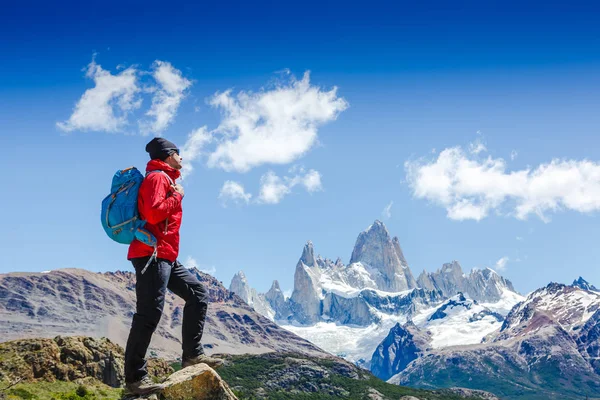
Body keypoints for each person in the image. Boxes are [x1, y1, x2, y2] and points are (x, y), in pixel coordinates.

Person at [124, 137, 223, 396]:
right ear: (169, 155)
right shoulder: (157, 178)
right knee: (148, 315)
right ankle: (135, 379)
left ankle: (192, 355)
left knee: (197, 293)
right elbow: (155, 214)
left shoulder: (166, 178)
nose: (182, 158)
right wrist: (177, 196)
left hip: (165, 255)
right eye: (179, 154)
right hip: (151, 255)